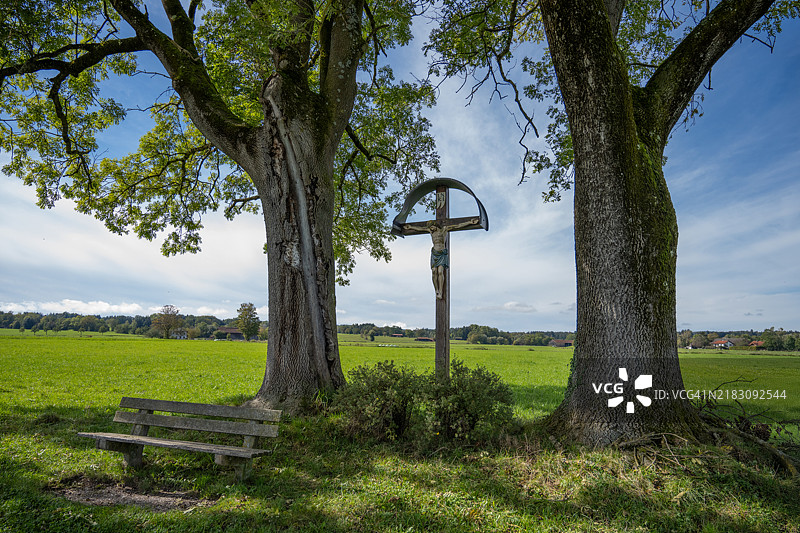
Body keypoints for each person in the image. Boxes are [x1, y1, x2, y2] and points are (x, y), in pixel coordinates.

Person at [427, 218, 479, 299]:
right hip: (434, 254)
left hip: (442, 254)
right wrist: (409, 227)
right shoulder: (431, 232)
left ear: (435, 225)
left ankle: (440, 291)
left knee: (440, 272)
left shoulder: (444, 230)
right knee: (434, 272)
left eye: (431, 227)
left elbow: (457, 226)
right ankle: (436, 290)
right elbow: (418, 228)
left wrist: (469, 222)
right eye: (430, 228)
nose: (431, 229)